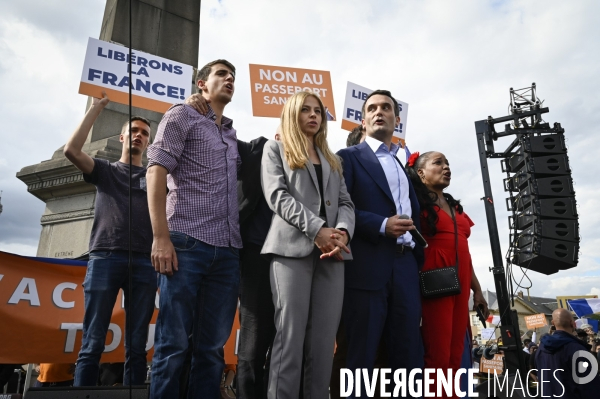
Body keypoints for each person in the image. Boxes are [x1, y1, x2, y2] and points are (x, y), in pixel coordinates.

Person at [147, 59, 241, 399]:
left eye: (233, 77)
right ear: (201, 84)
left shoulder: (231, 133)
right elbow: (155, 172)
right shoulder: (180, 115)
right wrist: (160, 237)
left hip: (228, 251)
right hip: (186, 243)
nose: (230, 79)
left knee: (212, 350)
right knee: (172, 346)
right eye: (221, 74)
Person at [261, 91, 355, 398]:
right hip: (290, 251)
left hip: (333, 255)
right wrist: (317, 230)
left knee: (323, 343)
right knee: (290, 338)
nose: (314, 115)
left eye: (318, 111)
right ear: (291, 114)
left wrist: (341, 232)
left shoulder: (334, 159)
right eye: (305, 110)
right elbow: (277, 197)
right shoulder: (275, 149)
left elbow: (345, 203)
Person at [63, 92, 156, 386]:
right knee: (92, 342)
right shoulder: (104, 170)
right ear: (122, 138)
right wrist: (96, 109)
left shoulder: (155, 179)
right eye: (134, 132)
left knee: (138, 347)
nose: (139, 136)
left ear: (149, 142)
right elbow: (71, 150)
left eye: (145, 133)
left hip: (145, 261)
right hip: (105, 257)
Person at [337, 90, 424, 397]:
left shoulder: (402, 166)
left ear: (396, 119)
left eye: (386, 108)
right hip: (367, 264)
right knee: (361, 355)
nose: (379, 112)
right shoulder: (347, 157)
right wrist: (381, 225)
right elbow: (338, 207)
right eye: (372, 108)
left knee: (407, 354)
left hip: (405, 267)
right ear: (363, 119)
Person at [406, 151, 480, 398]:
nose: (446, 167)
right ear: (420, 172)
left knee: (456, 348)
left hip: (461, 280)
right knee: (437, 348)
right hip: (435, 276)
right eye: (438, 162)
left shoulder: (456, 206)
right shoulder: (414, 202)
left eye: (448, 162)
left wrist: (477, 290)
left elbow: (465, 254)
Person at [535, 308, 600, 398]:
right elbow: (591, 387)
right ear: (572, 323)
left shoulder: (540, 349)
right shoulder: (577, 350)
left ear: (553, 323)